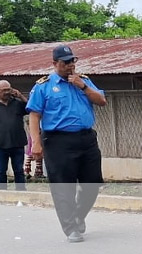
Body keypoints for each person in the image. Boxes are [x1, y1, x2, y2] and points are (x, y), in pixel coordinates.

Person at [26, 45, 107, 243]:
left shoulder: (84, 81)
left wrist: (82, 86)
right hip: (57, 141)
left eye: (73, 61)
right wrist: (35, 143)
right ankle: (70, 227)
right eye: (65, 62)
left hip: (86, 139)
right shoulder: (43, 86)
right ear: (55, 64)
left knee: (92, 183)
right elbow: (35, 116)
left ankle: (79, 215)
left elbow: (102, 101)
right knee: (63, 187)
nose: (70, 65)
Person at [0, 80, 28, 191]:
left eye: (8, 89)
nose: (7, 92)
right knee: (1, 171)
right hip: (1, 145)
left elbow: (31, 108)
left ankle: (21, 193)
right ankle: (2, 194)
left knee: (19, 171)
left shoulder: (17, 103)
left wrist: (20, 96)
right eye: (4, 90)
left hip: (17, 143)